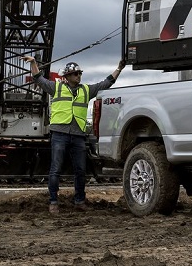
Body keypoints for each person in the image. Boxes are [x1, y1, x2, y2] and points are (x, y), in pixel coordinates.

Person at [23, 56, 125, 214]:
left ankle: (79, 201)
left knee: (80, 171)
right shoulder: (56, 88)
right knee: (55, 169)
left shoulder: (86, 90)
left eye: (79, 73)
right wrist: (33, 63)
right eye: (75, 73)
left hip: (78, 135)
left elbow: (106, 83)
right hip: (59, 134)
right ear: (67, 76)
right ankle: (53, 202)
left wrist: (119, 68)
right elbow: (39, 79)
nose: (78, 76)